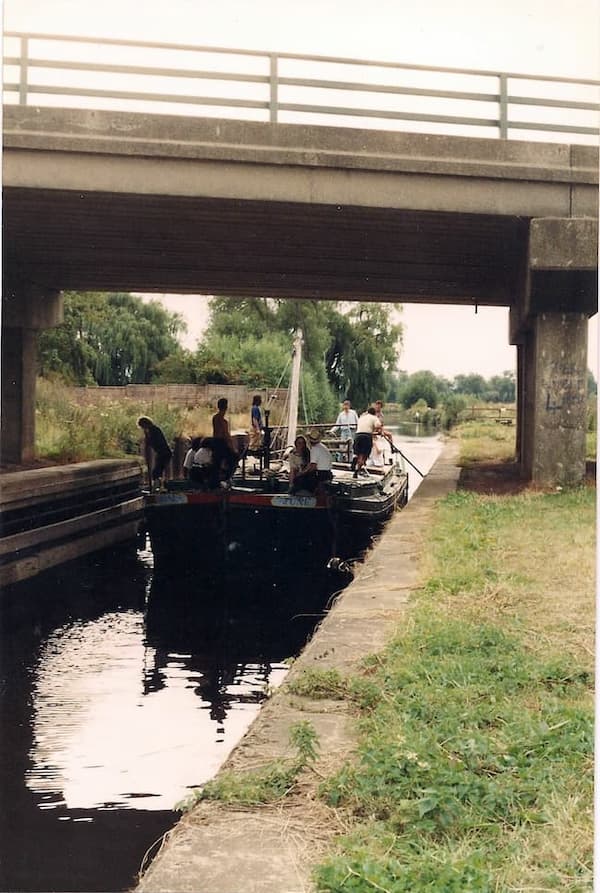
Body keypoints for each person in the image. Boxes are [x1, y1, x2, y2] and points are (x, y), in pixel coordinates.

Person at [290, 429, 332, 494]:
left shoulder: (314, 449)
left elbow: (313, 466)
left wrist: (302, 473)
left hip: (321, 474)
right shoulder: (322, 447)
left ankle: (301, 493)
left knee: (298, 480)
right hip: (327, 473)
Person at [137, 416, 172, 490]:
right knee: (157, 472)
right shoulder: (149, 431)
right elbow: (148, 444)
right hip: (161, 453)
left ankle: (159, 487)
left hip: (164, 453)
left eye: (142, 426)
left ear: (146, 424)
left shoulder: (154, 430)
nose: (142, 428)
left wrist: (148, 440)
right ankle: (159, 487)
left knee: (156, 472)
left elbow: (153, 442)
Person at [211, 397, 239, 485]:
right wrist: (233, 448)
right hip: (221, 443)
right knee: (234, 458)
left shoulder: (215, 418)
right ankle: (226, 477)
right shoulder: (223, 421)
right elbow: (226, 435)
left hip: (215, 442)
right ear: (226, 407)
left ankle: (218, 480)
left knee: (217, 463)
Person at [353, 407, 382, 477]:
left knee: (359, 453)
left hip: (357, 435)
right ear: (374, 413)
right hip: (366, 436)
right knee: (364, 456)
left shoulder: (362, 417)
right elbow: (378, 425)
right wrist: (380, 431)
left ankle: (356, 457)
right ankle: (358, 469)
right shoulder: (374, 418)